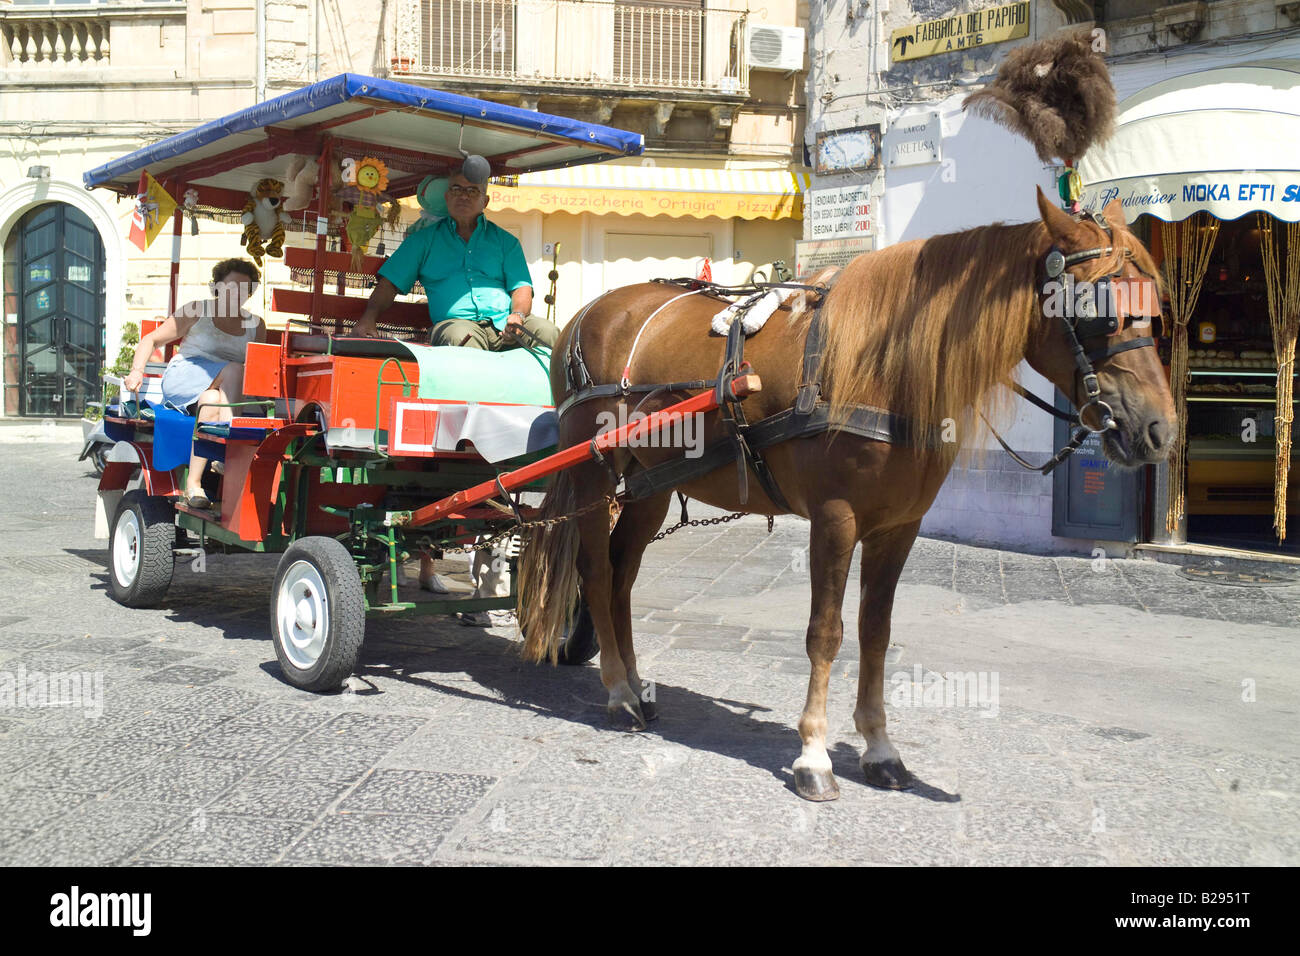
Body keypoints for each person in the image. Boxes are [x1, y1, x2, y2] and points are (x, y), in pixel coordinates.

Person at [350, 159, 557, 350]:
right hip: (455, 325)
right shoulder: (423, 241)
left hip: (505, 324)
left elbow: (521, 286)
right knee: (463, 338)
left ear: (485, 201)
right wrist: (369, 317)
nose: (464, 196)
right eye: (456, 189)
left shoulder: (506, 241)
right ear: (447, 197)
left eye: (472, 191)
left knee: (548, 332)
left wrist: (518, 316)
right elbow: (390, 283)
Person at [122, 258, 266, 509]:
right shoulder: (197, 310)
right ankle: (228, 449)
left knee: (210, 400)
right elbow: (151, 340)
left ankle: (194, 485)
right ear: (218, 287)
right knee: (233, 369)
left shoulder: (256, 324)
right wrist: (137, 371)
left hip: (225, 391)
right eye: (232, 286)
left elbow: (260, 366)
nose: (237, 293)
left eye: (245, 288)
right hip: (187, 374)